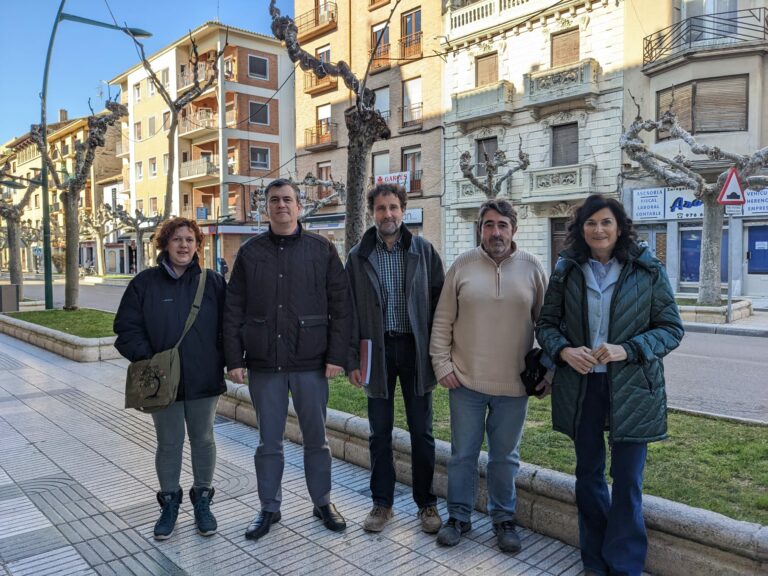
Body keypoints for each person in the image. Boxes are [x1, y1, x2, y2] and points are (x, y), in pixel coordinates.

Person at [536, 194, 684, 576]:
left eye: (606, 222)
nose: (598, 229)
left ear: (619, 228)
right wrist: (564, 351)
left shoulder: (647, 269)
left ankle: (624, 565)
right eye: (590, 222)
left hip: (633, 388)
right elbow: (546, 325)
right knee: (588, 476)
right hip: (583, 387)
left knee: (628, 480)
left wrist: (628, 349)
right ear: (580, 229)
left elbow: (671, 329)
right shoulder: (567, 269)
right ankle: (595, 560)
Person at [223, 178, 351, 541]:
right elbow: (233, 309)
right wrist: (234, 359)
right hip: (265, 363)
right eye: (274, 200)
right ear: (266, 208)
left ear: (299, 206)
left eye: (287, 199)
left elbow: (342, 305)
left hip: (312, 362)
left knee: (317, 439)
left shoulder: (322, 249)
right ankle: (269, 507)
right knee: (269, 442)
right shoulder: (250, 253)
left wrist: (336, 355)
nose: (281, 205)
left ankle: (322, 502)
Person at [430, 199, 547, 553]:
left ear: (514, 229)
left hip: (514, 385)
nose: (496, 232)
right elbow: (442, 320)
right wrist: (442, 365)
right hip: (465, 381)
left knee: (505, 458)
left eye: (502, 225)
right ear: (480, 229)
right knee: (462, 455)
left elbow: (548, 325)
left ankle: (503, 519)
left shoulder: (532, 267)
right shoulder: (462, 266)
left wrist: (550, 372)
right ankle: (458, 517)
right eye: (489, 225)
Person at [114, 217, 227, 541]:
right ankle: (169, 503)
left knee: (203, 439)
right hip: (161, 382)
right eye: (177, 239)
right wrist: (150, 361)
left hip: (204, 379)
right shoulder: (145, 283)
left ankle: (202, 499)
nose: (183, 245)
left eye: (190, 240)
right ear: (165, 244)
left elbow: (230, 326)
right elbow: (126, 328)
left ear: (197, 245)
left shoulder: (212, 282)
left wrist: (229, 361)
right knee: (169, 442)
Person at [346, 183, 445, 534]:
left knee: (422, 432)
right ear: (372, 213)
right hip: (376, 351)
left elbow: (441, 305)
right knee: (379, 432)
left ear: (403, 209)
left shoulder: (424, 251)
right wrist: (352, 360)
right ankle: (382, 503)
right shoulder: (358, 256)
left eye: (393, 207)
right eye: (380, 208)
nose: (387, 214)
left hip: (416, 350)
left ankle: (427, 504)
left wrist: (440, 352)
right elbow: (348, 311)